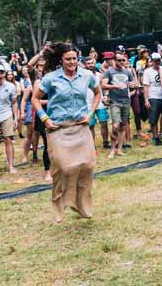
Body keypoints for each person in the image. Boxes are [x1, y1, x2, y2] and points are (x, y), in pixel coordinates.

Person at [31, 42, 101, 223]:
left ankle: (82, 204)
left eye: (74, 59)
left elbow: (98, 93)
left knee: (87, 165)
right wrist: (45, 118)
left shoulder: (86, 75)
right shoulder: (51, 78)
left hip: (80, 127)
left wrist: (91, 113)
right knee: (64, 167)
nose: (72, 62)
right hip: (58, 129)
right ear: (61, 60)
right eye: (68, 59)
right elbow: (35, 99)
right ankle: (59, 205)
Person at [102, 51, 135, 158]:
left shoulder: (128, 72)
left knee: (122, 126)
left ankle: (119, 149)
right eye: (119, 60)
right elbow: (103, 85)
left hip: (126, 101)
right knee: (115, 126)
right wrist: (115, 86)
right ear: (114, 60)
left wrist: (132, 84)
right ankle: (112, 150)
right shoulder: (109, 71)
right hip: (114, 101)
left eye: (123, 60)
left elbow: (134, 84)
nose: (121, 62)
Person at [0, 65, 19, 176]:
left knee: (8, 139)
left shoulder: (11, 86)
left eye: (2, 73)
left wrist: (15, 117)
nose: (0, 75)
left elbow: (14, 102)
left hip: (6, 114)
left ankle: (11, 166)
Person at [84, 57, 110, 151]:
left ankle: (106, 142)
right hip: (87, 104)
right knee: (90, 125)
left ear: (94, 63)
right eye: (88, 63)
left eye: (92, 63)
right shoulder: (83, 76)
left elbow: (104, 87)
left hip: (100, 102)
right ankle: (92, 146)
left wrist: (106, 96)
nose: (90, 65)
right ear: (85, 65)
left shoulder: (100, 75)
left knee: (104, 123)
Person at [143, 53, 162, 145]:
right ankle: (155, 137)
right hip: (153, 97)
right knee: (153, 118)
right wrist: (146, 99)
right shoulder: (147, 71)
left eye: (158, 60)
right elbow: (145, 86)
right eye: (155, 60)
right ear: (151, 61)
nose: (157, 62)